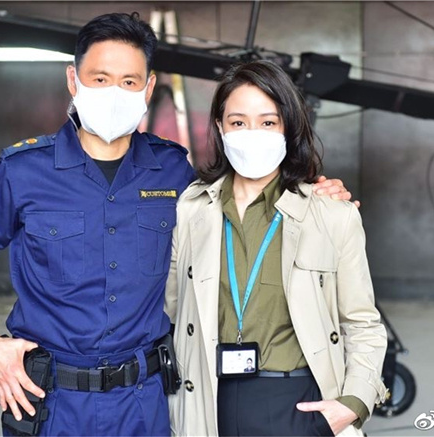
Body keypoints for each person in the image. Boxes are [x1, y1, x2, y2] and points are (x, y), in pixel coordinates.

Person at [0, 12, 354, 436]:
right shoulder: (23, 171)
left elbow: (246, 198)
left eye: (129, 81)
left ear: (149, 87)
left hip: (145, 401)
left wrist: (317, 194)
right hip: (51, 401)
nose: (114, 92)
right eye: (100, 79)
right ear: (73, 80)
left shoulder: (173, 170)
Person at [165, 60, 388, 437]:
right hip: (210, 399)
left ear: (288, 126)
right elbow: (168, 310)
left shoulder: (332, 215)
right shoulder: (190, 210)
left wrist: (352, 403)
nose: (252, 134)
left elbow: (361, 322)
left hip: (298, 402)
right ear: (220, 127)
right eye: (238, 122)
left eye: (268, 122)